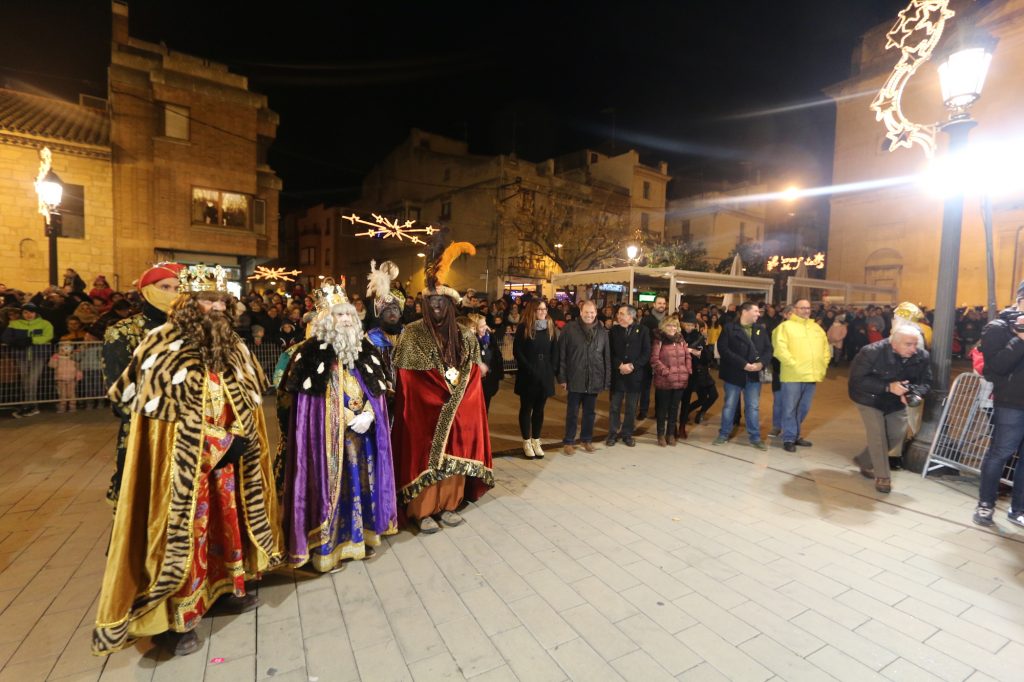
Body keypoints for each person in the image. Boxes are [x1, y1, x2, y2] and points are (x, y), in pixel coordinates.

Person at [93, 264, 283, 657]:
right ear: (187, 303)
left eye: (220, 300)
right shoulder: (161, 345)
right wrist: (215, 442)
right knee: (180, 537)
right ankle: (175, 620)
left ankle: (228, 587)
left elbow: (249, 398)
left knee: (227, 527)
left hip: (231, 466)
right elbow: (158, 421)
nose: (214, 306)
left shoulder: (235, 346)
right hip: (183, 470)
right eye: (205, 299)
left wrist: (242, 438)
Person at [279, 280, 396, 570]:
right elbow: (304, 407)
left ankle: (360, 539)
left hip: (363, 437)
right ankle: (326, 548)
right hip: (329, 442)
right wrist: (344, 417)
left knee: (361, 486)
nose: (345, 320)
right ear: (325, 320)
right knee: (333, 489)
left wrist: (370, 412)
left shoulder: (365, 351)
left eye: (348, 315)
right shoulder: (308, 354)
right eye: (338, 315)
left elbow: (378, 390)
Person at [392, 240, 493, 533]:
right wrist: (439, 397)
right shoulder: (411, 334)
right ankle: (422, 511)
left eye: (441, 302)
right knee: (425, 460)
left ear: (450, 305)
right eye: (431, 302)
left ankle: (448, 505)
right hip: (425, 414)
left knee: (452, 461)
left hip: (459, 412)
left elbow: (473, 374)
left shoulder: (466, 336)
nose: (436, 306)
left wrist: (460, 397)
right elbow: (409, 379)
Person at [102, 262, 184, 504]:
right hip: (143, 432)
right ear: (146, 290)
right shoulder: (124, 331)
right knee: (140, 509)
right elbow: (121, 394)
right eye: (164, 286)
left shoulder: (189, 330)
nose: (171, 293)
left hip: (188, 434)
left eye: (177, 287)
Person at [848, 326, 930, 494]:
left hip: (896, 401)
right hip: (869, 398)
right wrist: (888, 387)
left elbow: (926, 382)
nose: (914, 349)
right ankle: (882, 476)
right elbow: (857, 380)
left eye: (916, 344)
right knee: (877, 436)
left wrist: (913, 392)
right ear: (894, 342)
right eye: (909, 344)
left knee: (895, 435)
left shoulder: (922, 357)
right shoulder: (871, 352)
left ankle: (864, 460)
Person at [974, 284, 1024, 527]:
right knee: (1000, 453)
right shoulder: (998, 328)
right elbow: (994, 370)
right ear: (1020, 300)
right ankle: (985, 505)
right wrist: (1020, 339)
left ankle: (1019, 509)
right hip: (1012, 404)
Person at [772, 299, 831, 452]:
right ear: (795, 310)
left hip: (811, 375)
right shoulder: (785, 327)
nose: (806, 310)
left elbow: (825, 349)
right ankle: (789, 437)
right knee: (790, 408)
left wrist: (823, 364)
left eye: (808, 308)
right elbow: (780, 349)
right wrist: (793, 364)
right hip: (793, 375)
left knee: (803, 408)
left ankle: (796, 434)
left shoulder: (816, 328)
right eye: (802, 308)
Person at [714, 302, 772, 450]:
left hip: (753, 375)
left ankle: (755, 438)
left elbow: (768, 349)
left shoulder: (760, 329)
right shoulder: (729, 328)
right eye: (756, 311)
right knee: (730, 406)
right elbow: (723, 349)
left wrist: (761, 364)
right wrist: (743, 364)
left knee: (753, 407)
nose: (759, 314)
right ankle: (723, 434)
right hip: (734, 374)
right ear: (744, 312)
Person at [558, 300, 610, 454]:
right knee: (572, 412)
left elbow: (606, 357)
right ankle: (569, 441)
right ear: (581, 312)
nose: (589, 315)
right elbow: (562, 355)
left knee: (590, 413)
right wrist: (562, 378)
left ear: (596, 313)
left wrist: (606, 381)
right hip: (575, 377)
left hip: (594, 378)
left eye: (592, 312)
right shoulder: (569, 329)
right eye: (586, 312)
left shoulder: (602, 331)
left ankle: (587, 440)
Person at [513, 300, 558, 459]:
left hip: (545, 372)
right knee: (527, 408)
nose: (542, 311)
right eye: (539, 309)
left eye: (544, 309)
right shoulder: (523, 327)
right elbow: (517, 352)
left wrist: (551, 369)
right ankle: (526, 441)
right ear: (532, 310)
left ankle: (536, 440)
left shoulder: (550, 327)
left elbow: (555, 350)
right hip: (528, 373)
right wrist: (529, 369)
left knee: (540, 409)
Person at [607, 305, 650, 447]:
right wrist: (619, 365)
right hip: (618, 375)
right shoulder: (613, 331)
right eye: (618, 313)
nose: (618, 316)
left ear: (631, 316)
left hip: (634, 376)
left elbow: (646, 353)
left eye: (622, 314)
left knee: (631, 408)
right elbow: (609, 352)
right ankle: (612, 434)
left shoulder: (643, 330)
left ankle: (627, 434)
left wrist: (632, 366)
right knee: (614, 407)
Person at [1, 303, 54, 417]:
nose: (28, 315)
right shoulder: (15, 324)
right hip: (21, 356)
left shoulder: (45, 324)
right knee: (26, 381)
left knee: (32, 380)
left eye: (31, 312)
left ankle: (32, 406)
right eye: (25, 312)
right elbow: (6, 337)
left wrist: (31, 340)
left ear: (35, 313)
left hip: (38, 356)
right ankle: (29, 405)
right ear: (22, 313)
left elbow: (48, 336)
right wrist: (16, 342)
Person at [650, 314, 692, 447]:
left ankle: (670, 434)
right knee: (662, 410)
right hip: (665, 381)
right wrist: (667, 372)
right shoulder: (659, 340)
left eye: (674, 325)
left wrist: (687, 370)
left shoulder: (681, 340)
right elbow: (654, 360)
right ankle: (661, 435)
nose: (672, 328)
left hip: (680, 380)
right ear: (663, 326)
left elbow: (687, 356)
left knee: (674, 409)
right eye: (669, 325)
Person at [638, 295, 668, 420]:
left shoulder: (669, 320)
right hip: (648, 357)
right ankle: (643, 411)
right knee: (645, 386)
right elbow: (641, 340)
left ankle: (659, 412)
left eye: (663, 303)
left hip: (663, 358)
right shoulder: (646, 320)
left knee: (661, 386)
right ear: (654, 305)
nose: (661, 305)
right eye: (659, 303)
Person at [470, 313, 504, 412]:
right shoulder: (472, 341)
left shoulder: (490, 338)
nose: (485, 328)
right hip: (478, 382)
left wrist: (499, 375)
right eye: (481, 326)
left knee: (485, 408)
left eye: (485, 324)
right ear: (474, 328)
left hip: (490, 380)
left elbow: (497, 356)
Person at [49, 341, 82, 413]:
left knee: (71, 393)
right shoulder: (57, 356)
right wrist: (54, 359)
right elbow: (52, 365)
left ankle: (72, 407)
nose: (65, 348)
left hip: (71, 378)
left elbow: (77, 366)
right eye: (63, 346)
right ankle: (62, 407)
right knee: (62, 393)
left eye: (68, 347)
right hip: (60, 378)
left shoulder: (73, 356)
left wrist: (78, 373)